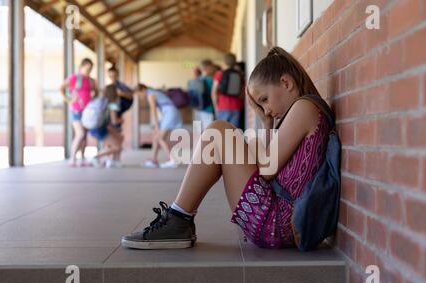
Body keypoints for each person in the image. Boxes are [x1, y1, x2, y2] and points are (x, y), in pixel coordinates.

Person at [121, 47, 331, 250]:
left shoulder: (304, 108)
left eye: (264, 100)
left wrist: (255, 144)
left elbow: (267, 170)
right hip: (280, 220)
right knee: (225, 135)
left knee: (219, 130)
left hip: (279, 223)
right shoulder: (307, 109)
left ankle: (178, 219)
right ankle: (179, 218)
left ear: (286, 82)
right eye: (260, 105)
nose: (266, 109)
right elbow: (271, 164)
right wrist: (266, 125)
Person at [60, 58, 98, 167]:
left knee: (84, 135)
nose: (89, 71)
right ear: (82, 66)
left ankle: (82, 158)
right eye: (87, 68)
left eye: (91, 69)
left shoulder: (91, 80)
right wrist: (69, 100)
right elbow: (62, 88)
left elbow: (96, 92)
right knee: (80, 133)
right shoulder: (74, 78)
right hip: (76, 110)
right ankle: (72, 158)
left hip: (88, 111)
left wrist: (93, 95)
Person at [137, 84, 183, 169]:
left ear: (143, 90)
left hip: (170, 113)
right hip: (169, 113)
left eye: (139, 94)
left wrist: (156, 126)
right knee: (156, 136)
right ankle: (153, 160)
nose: (139, 97)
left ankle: (172, 160)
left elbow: (153, 111)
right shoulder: (153, 92)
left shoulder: (150, 95)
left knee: (160, 137)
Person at [88, 85, 124, 168]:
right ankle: (95, 157)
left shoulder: (101, 100)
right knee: (117, 146)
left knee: (120, 138)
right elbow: (114, 121)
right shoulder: (112, 104)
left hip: (95, 126)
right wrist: (121, 120)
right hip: (100, 128)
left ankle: (114, 161)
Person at [107, 66, 134, 161]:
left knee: (118, 136)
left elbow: (131, 96)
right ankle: (110, 158)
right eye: (110, 75)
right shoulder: (109, 86)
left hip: (117, 112)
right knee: (110, 138)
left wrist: (120, 93)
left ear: (117, 75)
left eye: (114, 75)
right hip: (109, 115)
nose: (112, 77)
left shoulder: (121, 86)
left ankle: (116, 159)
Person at [211, 53, 244, 128]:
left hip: (223, 106)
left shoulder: (220, 74)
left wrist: (216, 107)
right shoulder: (240, 74)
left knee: (222, 131)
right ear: (235, 62)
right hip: (236, 106)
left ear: (224, 62)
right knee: (234, 132)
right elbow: (242, 91)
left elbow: (214, 92)